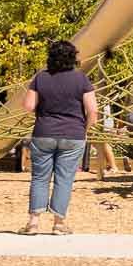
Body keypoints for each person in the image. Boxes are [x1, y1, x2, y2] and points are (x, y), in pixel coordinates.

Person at [22, 39, 97, 235]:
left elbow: (28, 106)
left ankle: (33, 222)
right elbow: (93, 111)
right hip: (73, 134)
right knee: (64, 179)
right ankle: (59, 224)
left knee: (39, 178)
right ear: (73, 57)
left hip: (44, 132)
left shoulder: (41, 78)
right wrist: (84, 129)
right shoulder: (81, 79)